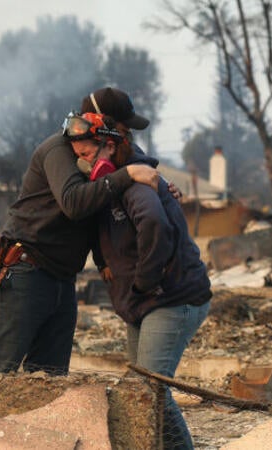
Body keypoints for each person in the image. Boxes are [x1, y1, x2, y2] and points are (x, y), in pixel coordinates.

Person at [0, 87, 174, 375]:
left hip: (62, 277)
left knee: (49, 378)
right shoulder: (58, 151)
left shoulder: (107, 150)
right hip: (25, 271)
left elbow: (127, 179)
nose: (126, 139)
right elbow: (74, 203)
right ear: (101, 123)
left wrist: (161, 185)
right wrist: (127, 176)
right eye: (122, 129)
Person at [82, 130, 211, 450]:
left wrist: (144, 281)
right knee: (141, 393)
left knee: (151, 393)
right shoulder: (112, 188)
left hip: (170, 299)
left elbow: (154, 223)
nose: (83, 163)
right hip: (143, 303)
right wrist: (102, 264)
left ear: (110, 147)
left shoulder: (136, 184)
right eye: (79, 156)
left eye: (87, 155)